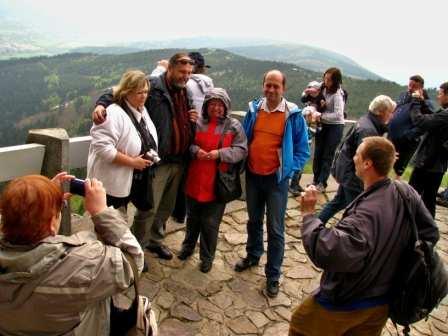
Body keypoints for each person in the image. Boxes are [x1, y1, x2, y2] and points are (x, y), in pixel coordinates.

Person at [289, 136, 439, 336]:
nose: (353, 158)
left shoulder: (364, 215)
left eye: (357, 154)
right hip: (383, 301)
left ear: (368, 163)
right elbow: (430, 232)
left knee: (300, 325)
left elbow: (329, 251)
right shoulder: (405, 191)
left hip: (347, 302)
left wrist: (308, 214)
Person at [0, 173, 144, 335]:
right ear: (51, 226)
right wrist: (102, 212)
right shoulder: (83, 265)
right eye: (57, 213)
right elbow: (134, 261)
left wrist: (41, 199)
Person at [93, 52, 198, 260]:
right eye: (181, 71)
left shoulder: (185, 92)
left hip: (179, 159)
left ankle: (155, 241)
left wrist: (191, 118)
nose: (185, 76)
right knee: (148, 208)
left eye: (188, 73)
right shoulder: (152, 86)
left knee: (166, 206)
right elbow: (116, 91)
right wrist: (100, 104)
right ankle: (136, 247)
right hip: (158, 162)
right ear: (170, 69)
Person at [234, 70, 310, 298]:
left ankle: (273, 275)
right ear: (263, 86)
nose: (271, 90)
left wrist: (287, 170)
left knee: (276, 229)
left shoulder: (292, 115)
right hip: (254, 176)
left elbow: (302, 150)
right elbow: (245, 139)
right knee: (254, 221)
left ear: (283, 89)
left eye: (276, 86)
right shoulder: (254, 110)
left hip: (277, 181)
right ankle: (253, 254)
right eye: (268, 85)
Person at [178, 88, 247, 273]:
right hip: (194, 179)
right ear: (206, 106)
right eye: (212, 104)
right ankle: (187, 247)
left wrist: (219, 154)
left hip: (217, 183)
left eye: (220, 104)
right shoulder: (198, 123)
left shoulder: (234, 126)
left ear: (226, 107)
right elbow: (187, 143)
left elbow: (241, 150)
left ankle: (207, 257)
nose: (216, 108)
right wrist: (195, 151)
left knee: (210, 223)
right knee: (192, 218)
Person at [87, 69, 157, 218]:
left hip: (130, 180)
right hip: (110, 184)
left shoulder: (140, 109)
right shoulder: (113, 113)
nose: (144, 96)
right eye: (139, 92)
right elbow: (102, 147)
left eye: (146, 91)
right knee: (111, 225)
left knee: (120, 221)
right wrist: (132, 161)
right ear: (127, 92)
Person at [318, 95, 396, 224]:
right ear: (381, 112)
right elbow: (364, 158)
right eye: (390, 112)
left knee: (338, 202)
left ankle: (316, 224)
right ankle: (343, 235)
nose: (391, 116)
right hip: (354, 177)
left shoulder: (365, 121)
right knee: (355, 212)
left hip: (347, 171)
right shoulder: (368, 130)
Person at [171, 51, 215, 224]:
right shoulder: (210, 85)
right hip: (204, 134)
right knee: (194, 174)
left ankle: (179, 213)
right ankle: (193, 211)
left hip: (187, 133)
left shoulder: (187, 85)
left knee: (182, 175)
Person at [409, 81, 448, 217]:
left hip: (428, 163)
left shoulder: (446, 115)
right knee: (428, 200)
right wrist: (423, 102)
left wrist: (415, 102)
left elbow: (421, 122)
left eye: (440, 93)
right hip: (438, 165)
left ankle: (404, 228)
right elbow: (433, 116)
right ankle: (427, 232)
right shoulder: (445, 114)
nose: (438, 97)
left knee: (411, 196)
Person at [388, 75, 435, 179]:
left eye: (414, 86)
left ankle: (396, 188)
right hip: (392, 136)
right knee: (386, 160)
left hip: (407, 140)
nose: (410, 88)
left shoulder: (426, 102)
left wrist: (410, 134)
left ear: (421, 88)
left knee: (399, 167)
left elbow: (429, 120)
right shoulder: (404, 95)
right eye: (409, 85)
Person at [312, 67, 346, 192]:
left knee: (327, 155)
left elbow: (338, 114)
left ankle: (322, 182)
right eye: (325, 78)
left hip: (335, 127)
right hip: (323, 124)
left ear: (335, 81)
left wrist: (320, 115)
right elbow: (312, 98)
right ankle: (315, 179)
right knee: (318, 152)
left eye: (329, 80)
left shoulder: (337, 95)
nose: (326, 81)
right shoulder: (322, 88)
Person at [290, 80, 325, 196]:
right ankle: (293, 185)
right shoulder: (306, 124)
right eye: (309, 116)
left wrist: (317, 121)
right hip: (303, 147)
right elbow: (313, 132)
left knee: (301, 166)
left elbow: (317, 129)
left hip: (306, 146)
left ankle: (296, 184)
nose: (312, 117)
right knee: (299, 166)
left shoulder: (310, 122)